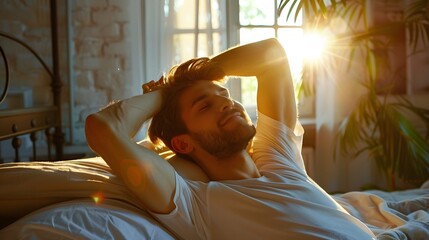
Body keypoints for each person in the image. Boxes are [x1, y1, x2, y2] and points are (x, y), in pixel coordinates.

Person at [85, 38, 375, 239]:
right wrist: (164, 94)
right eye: (204, 106)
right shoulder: (195, 205)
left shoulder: (278, 158)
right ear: (183, 143)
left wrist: (195, 76)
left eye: (224, 95)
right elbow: (103, 128)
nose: (227, 104)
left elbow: (270, 54)